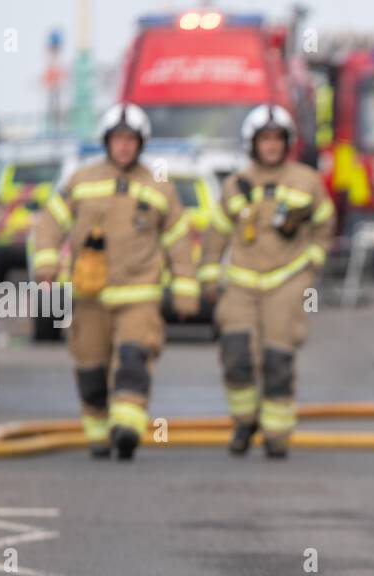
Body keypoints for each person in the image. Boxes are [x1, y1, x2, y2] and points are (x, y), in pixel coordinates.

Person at [31, 102, 198, 460]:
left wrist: (186, 289)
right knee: (90, 368)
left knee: (133, 358)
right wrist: (46, 265)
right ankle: (98, 433)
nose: (124, 147)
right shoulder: (81, 180)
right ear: (106, 141)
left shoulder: (159, 187)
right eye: (118, 139)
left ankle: (127, 428)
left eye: (131, 140)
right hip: (89, 296)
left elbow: (178, 240)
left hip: (139, 295)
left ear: (141, 143)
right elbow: (48, 223)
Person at [198, 105, 335, 458]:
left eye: (277, 139)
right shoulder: (234, 185)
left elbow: (324, 226)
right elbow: (216, 234)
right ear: (253, 143)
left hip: (287, 280)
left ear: (286, 143)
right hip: (241, 283)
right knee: (236, 354)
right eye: (264, 139)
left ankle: (276, 435)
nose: (271, 146)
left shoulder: (307, 181)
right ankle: (244, 422)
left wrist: (311, 267)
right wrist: (210, 275)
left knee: (278, 359)